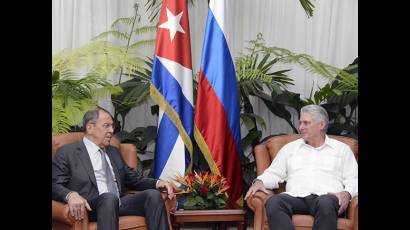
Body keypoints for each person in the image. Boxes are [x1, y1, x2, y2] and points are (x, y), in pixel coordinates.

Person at [52, 107, 175, 230]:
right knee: (108, 198)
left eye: (112, 126)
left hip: (118, 203)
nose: (111, 130)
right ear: (90, 128)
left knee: (152, 195)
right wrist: (70, 195)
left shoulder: (113, 152)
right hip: (91, 207)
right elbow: (54, 184)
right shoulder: (68, 152)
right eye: (106, 126)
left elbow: (134, 179)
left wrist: (158, 183)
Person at [245, 104, 358, 230]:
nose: (301, 127)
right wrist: (260, 181)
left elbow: (353, 178)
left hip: (326, 198)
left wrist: (347, 193)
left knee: (326, 203)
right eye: (300, 123)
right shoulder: (290, 148)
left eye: (306, 123)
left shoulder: (342, 149)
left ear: (321, 125)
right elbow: (274, 173)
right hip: (295, 197)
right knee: (274, 202)